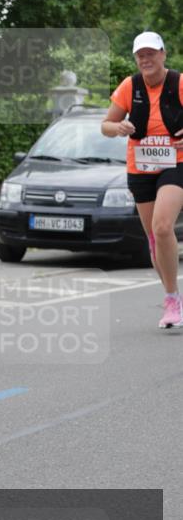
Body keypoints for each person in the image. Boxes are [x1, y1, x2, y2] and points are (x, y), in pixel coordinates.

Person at [101, 31, 183, 329]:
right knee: (152, 238)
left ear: (163, 54)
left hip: (176, 162)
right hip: (141, 167)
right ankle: (172, 294)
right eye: (140, 55)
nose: (146, 59)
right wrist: (118, 126)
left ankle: (172, 301)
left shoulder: (179, 82)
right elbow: (105, 125)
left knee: (162, 227)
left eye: (151, 53)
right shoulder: (129, 86)